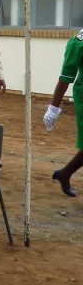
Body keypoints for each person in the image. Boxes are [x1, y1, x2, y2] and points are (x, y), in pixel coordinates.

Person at [45, 28, 83, 197]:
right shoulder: (78, 43)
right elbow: (65, 77)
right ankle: (65, 173)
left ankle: (65, 173)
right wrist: (53, 108)